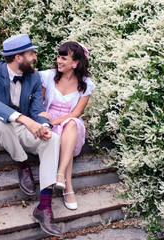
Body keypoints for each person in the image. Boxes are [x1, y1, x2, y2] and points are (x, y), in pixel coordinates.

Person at [0, 34, 62, 236]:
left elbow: (38, 109)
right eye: (31, 53)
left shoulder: (33, 76)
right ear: (18, 57)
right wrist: (24, 119)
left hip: (20, 131)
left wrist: (44, 125)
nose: (35, 57)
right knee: (1, 122)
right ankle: (23, 164)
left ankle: (44, 208)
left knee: (52, 138)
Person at [38, 41, 96, 210]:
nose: (59, 61)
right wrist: (45, 121)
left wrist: (56, 121)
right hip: (48, 124)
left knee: (71, 124)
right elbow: (38, 103)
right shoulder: (48, 76)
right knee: (66, 130)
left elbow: (76, 113)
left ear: (75, 63)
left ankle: (60, 173)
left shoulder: (85, 84)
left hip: (68, 125)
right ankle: (67, 185)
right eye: (58, 56)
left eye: (64, 58)